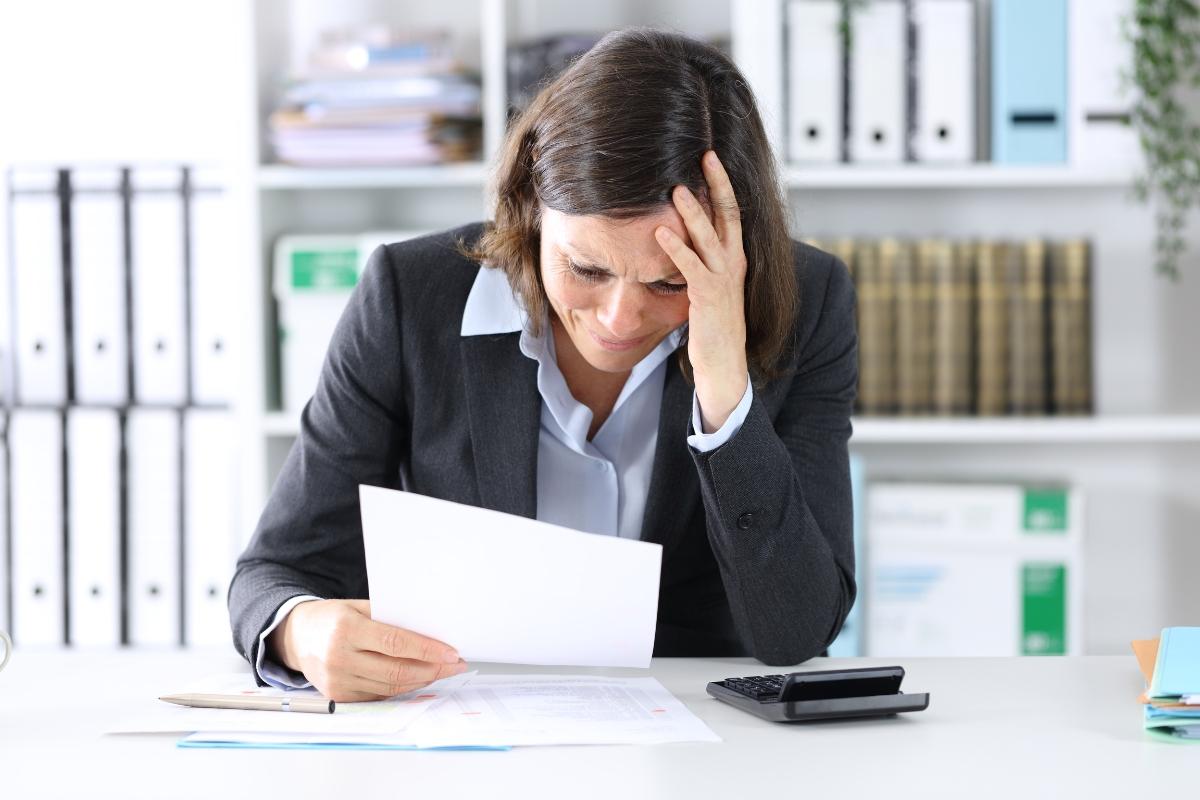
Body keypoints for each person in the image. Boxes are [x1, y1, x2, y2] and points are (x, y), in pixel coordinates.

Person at [229, 28, 858, 702]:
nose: (620, 319)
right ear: (530, 203)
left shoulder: (808, 302)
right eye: (586, 268)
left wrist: (725, 393)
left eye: (669, 284)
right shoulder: (408, 295)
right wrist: (302, 631)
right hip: (469, 717)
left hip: (694, 734)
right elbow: (276, 571)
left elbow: (797, 632)